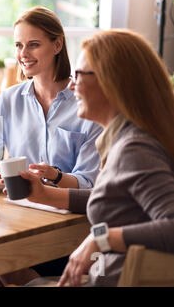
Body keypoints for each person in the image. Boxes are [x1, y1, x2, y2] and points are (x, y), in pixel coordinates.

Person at [20, 29, 174, 286]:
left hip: (106, 281)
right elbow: (116, 197)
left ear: (113, 82)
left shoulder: (134, 149)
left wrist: (99, 238)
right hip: (101, 278)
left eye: (79, 75)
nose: (71, 85)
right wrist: (47, 195)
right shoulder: (129, 138)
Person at [0, 6, 102, 190]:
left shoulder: (88, 106)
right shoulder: (9, 101)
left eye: (33, 44)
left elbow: (88, 183)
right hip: (18, 207)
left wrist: (53, 177)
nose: (23, 54)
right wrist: (11, 173)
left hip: (66, 212)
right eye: (18, 45)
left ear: (57, 45)